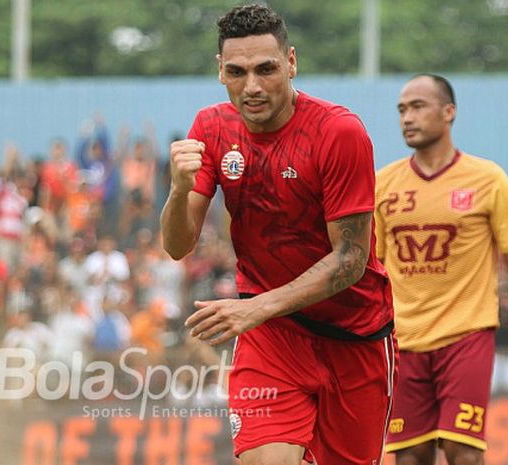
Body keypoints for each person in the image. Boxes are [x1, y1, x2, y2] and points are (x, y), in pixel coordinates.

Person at [160, 5, 396, 465]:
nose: (252, 86)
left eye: (265, 69)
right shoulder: (211, 127)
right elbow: (176, 245)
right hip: (272, 337)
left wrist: (256, 308)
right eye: (237, 71)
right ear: (220, 72)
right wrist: (178, 190)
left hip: (356, 336)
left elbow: (350, 259)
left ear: (290, 62)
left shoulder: (339, 132)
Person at [375, 74, 508, 464]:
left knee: (463, 452)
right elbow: (375, 269)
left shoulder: (488, 179)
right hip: (403, 342)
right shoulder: (383, 185)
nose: (407, 117)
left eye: (418, 106)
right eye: (402, 109)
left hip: (466, 335)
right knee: (410, 457)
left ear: (449, 112)